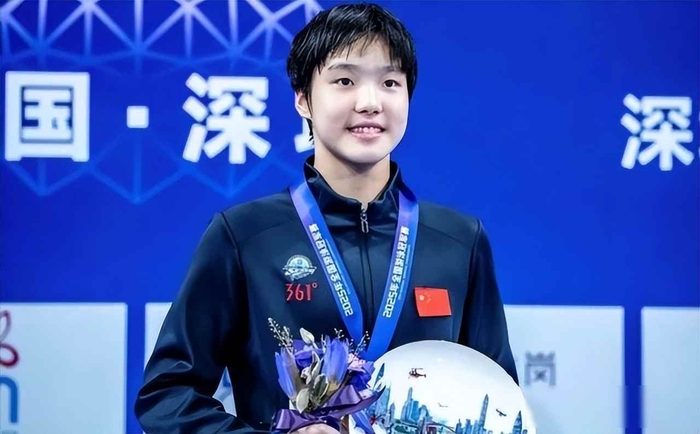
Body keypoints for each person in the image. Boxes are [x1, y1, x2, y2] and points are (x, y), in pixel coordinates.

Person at [135, 4, 517, 434]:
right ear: (303, 99)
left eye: (390, 82)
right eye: (344, 81)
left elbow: (502, 405)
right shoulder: (245, 235)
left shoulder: (459, 240)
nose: (370, 102)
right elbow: (167, 395)